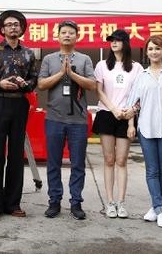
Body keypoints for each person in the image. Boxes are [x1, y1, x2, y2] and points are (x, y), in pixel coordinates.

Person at [0, 10, 38, 221]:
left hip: (19, 104)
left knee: (16, 154)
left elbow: (34, 80)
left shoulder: (29, 53)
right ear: (2, 29)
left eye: (16, 24)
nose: (13, 27)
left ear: (21, 28)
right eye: (9, 24)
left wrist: (26, 84)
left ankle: (13, 203)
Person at [37, 20, 96, 220]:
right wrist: (61, 73)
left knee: (78, 164)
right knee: (53, 162)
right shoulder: (49, 59)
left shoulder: (85, 59)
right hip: (54, 118)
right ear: (58, 36)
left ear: (77, 36)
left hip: (78, 121)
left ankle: (76, 202)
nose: (67, 35)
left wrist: (72, 74)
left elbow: (92, 85)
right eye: (64, 32)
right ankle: (54, 201)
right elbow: (41, 84)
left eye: (71, 32)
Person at [93, 29, 143, 219]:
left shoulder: (136, 68)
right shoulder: (102, 65)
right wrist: (113, 109)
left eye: (117, 40)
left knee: (121, 160)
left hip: (126, 116)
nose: (113, 43)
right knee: (109, 160)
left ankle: (121, 202)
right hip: (107, 114)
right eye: (111, 40)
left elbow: (137, 96)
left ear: (126, 43)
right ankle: (110, 202)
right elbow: (99, 92)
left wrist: (131, 122)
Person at [125, 36, 162, 228]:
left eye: (157, 49)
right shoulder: (141, 76)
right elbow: (132, 103)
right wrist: (131, 125)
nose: (154, 52)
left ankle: (156, 207)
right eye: (151, 49)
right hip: (146, 128)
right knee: (152, 170)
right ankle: (160, 210)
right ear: (146, 52)